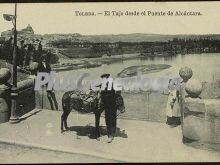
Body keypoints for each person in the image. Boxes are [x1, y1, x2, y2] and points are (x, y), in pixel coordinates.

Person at [99, 73, 117, 143]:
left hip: (111, 104)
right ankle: (111, 133)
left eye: (104, 78)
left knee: (111, 119)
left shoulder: (111, 84)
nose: (103, 79)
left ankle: (110, 135)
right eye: (103, 78)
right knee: (109, 119)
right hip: (107, 105)